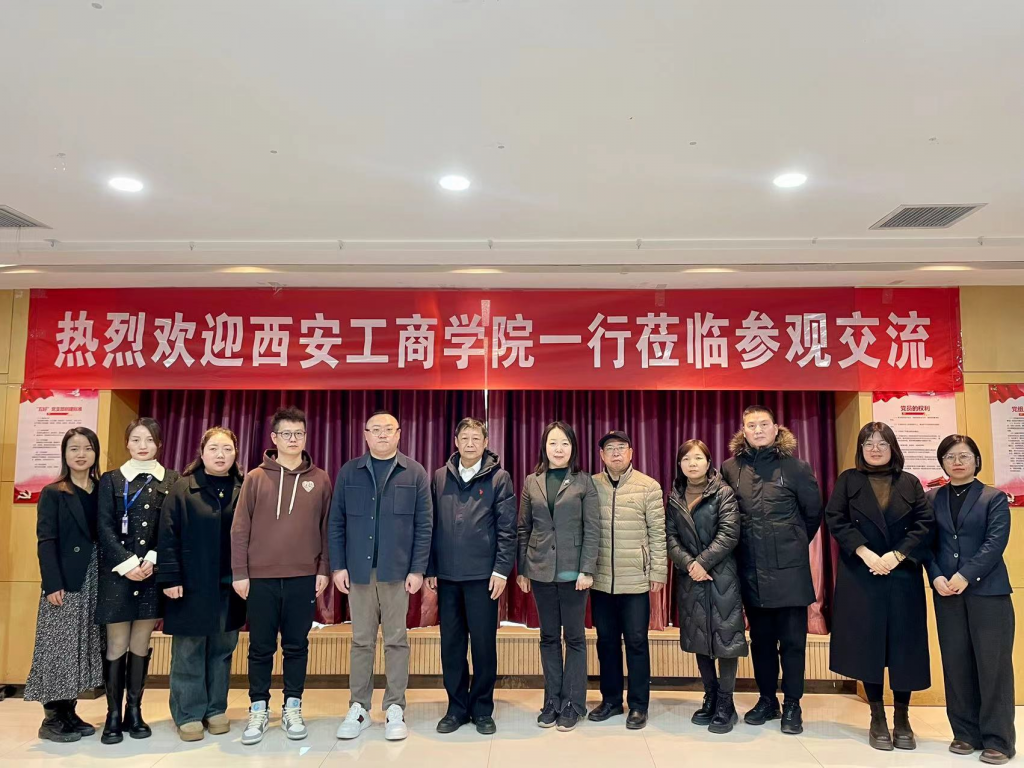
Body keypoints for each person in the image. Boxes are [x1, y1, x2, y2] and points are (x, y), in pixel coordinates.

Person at [825, 422, 933, 751]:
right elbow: (835, 518)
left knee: (904, 647)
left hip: (902, 573)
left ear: (892, 448)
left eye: (882, 443)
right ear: (861, 449)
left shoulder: (909, 482)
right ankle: (876, 716)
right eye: (868, 443)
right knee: (867, 645)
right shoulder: (849, 480)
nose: (875, 449)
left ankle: (902, 717)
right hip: (862, 572)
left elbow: (924, 523)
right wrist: (865, 553)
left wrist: (897, 555)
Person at [231, 407, 332, 746]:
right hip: (260, 578)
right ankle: (258, 707)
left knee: (296, 645)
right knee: (260, 647)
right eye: (286, 434)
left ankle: (293, 706)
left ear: (305, 437)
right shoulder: (255, 477)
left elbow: (327, 528)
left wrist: (323, 568)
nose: (293, 439)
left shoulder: (320, 478)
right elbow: (239, 528)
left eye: (298, 434)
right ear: (274, 438)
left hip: (303, 576)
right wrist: (240, 572)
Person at [331, 411, 433, 742]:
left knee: (396, 640)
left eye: (389, 429)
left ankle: (394, 707)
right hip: (358, 572)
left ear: (399, 433)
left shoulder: (414, 472)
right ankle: (359, 706)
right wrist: (338, 566)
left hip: (397, 573)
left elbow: (424, 525)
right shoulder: (349, 472)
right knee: (361, 640)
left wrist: (417, 568)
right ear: (365, 435)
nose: (382, 435)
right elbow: (336, 522)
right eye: (376, 430)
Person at [720, 405, 821, 735]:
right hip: (750, 570)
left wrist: (790, 541)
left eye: (764, 424)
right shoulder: (730, 468)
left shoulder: (796, 467)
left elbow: (812, 514)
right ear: (743, 430)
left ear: (776, 428)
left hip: (790, 571)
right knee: (760, 642)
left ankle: (792, 703)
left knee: (792, 642)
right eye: (751, 425)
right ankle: (767, 700)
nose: (758, 430)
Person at [928, 435, 1015, 765]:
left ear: (977, 461)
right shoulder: (932, 497)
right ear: (942, 462)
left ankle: (998, 740)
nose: (957, 462)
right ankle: (964, 733)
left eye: (964, 456)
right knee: (956, 663)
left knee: (993, 667)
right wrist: (935, 575)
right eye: (950, 457)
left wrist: (965, 575)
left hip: (988, 593)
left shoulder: (994, 497)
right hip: (946, 592)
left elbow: (995, 543)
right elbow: (926, 543)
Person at [427, 417, 516, 735]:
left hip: (483, 577)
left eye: (476, 438)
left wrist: (501, 570)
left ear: (485, 442)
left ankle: (481, 709)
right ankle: (456, 708)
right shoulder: (440, 476)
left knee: (483, 645)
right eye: (464, 437)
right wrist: (431, 568)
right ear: (455, 441)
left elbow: (507, 528)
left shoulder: (499, 478)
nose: (470, 443)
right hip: (447, 577)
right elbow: (431, 524)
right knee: (451, 645)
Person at [158, 427, 248, 742]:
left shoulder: (244, 488)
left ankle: (216, 708)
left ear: (236, 453)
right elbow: (167, 535)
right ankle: (188, 713)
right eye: (213, 449)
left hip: (230, 585)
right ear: (202, 452)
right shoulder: (183, 488)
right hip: (190, 584)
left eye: (227, 449)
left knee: (222, 649)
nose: (220, 455)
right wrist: (170, 577)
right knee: (189, 649)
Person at [95, 417, 179, 744]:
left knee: (141, 644)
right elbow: (103, 527)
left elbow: (172, 526)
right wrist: (127, 563)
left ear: (159, 444)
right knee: (117, 643)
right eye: (136, 439)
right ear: (127, 443)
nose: (143, 446)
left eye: (149, 440)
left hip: (151, 573)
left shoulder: (171, 479)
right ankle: (113, 715)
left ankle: (135, 711)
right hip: (117, 574)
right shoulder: (111, 479)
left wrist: (153, 559)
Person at [517, 420, 599, 732]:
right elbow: (524, 527)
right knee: (548, 637)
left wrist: (587, 569)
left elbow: (592, 529)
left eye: (564, 443)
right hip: (540, 569)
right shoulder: (532, 481)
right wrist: (523, 569)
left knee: (574, 638)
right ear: (544, 447)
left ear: (573, 447)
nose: (559, 449)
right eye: (553, 443)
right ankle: (552, 701)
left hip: (573, 571)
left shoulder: (583, 481)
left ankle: (573, 704)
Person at [25, 427, 104, 743]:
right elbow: (46, 540)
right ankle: (52, 718)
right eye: (74, 448)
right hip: (65, 580)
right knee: (57, 646)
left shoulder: (101, 489)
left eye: (87, 448)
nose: (81, 454)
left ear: (95, 453)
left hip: (94, 577)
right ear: (64, 454)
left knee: (80, 645)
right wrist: (52, 583)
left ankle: (69, 711)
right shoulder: (54, 492)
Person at [666, 439, 748, 735]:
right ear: (680, 465)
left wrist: (702, 563)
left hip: (721, 576)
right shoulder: (674, 496)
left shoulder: (723, 492)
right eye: (686, 459)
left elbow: (729, 533)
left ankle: (726, 704)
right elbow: (670, 537)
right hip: (691, 577)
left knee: (726, 639)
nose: (692, 464)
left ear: (709, 462)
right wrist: (689, 564)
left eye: (698, 458)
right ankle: (710, 695)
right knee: (699, 636)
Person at [588, 430, 666, 730]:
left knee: (636, 642)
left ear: (632, 453)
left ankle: (638, 705)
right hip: (601, 580)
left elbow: (658, 533)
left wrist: (658, 572)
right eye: (610, 448)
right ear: (602, 455)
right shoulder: (591, 485)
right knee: (606, 642)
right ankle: (610, 700)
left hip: (635, 580)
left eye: (622, 448)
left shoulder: (648, 486)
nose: (616, 453)